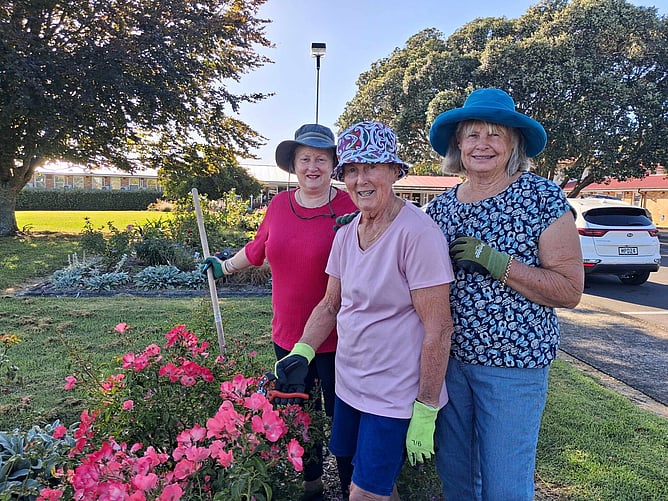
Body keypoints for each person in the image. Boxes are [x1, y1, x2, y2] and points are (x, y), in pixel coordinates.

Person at [273, 121, 455, 501]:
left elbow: (439, 328)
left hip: (392, 395)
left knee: (364, 493)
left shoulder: (417, 234)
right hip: (350, 385)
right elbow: (330, 304)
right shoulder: (346, 232)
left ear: (394, 171)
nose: (361, 179)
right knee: (367, 481)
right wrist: (302, 352)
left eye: (371, 167)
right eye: (352, 170)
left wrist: (425, 408)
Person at [425, 88, 584, 500]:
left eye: (495, 135)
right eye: (473, 134)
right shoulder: (441, 208)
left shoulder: (541, 198)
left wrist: (499, 263)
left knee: (504, 483)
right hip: (450, 363)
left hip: (512, 365)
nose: (482, 144)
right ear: (458, 144)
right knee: (457, 477)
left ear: (513, 143)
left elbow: (569, 290)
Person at [204, 123, 358, 500]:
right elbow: (257, 249)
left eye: (321, 159)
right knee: (298, 416)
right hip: (289, 337)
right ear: (294, 164)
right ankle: (312, 486)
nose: (313, 167)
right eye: (305, 158)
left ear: (333, 165)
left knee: (342, 416)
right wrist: (224, 267)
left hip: (342, 337)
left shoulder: (349, 208)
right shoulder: (277, 206)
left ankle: (353, 487)